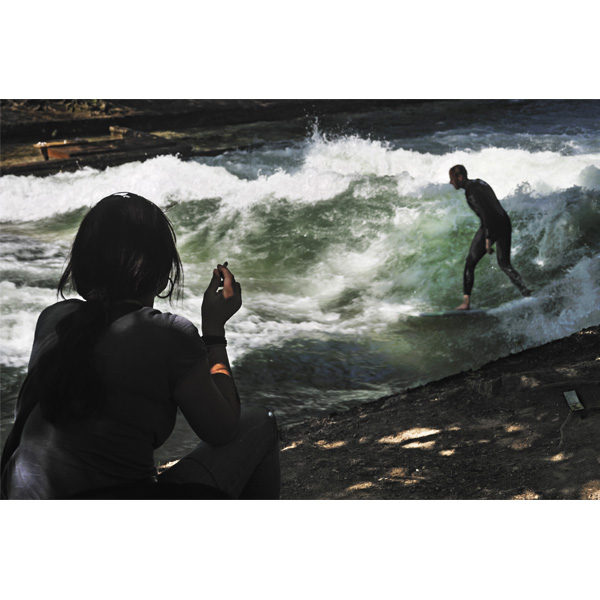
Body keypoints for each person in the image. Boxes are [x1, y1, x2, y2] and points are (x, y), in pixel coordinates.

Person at [0, 192, 280, 500]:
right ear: (161, 275)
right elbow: (223, 430)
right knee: (259, 423)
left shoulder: (53, 318)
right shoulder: (169, 334)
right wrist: (214, 330)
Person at [449, 165, 531, 310]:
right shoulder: (480, 182)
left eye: (452, 179)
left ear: (460, 178)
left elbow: (486, 213)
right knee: (504, 264)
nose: (451, 182)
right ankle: (526, 292)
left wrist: (488, 238)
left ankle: (466, 303)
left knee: (470, 263)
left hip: (491, 225)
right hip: (504, 221)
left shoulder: (470, 192)